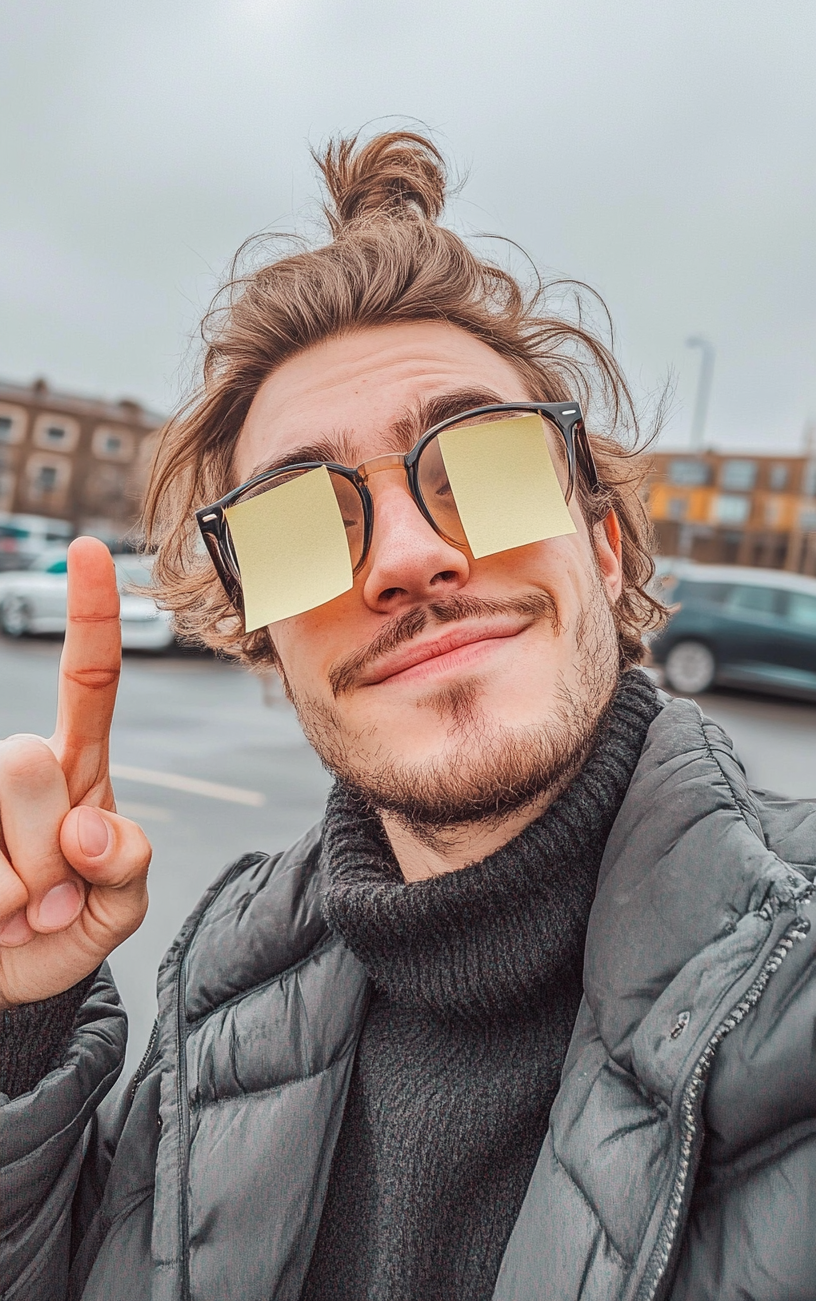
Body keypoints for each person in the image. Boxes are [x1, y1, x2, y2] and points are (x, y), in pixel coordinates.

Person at [0, 132, 814, 1301]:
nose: (413, 556)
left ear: (604, 542)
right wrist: (19, 1033)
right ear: (261, 633)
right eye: (299, 524)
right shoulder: (222, 988)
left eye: (486, 463)